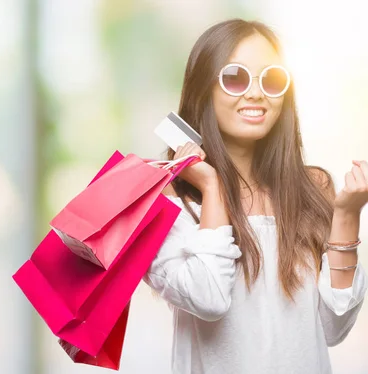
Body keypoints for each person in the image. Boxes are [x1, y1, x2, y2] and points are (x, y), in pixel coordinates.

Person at [144, 19, 368, 374]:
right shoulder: (168, 198)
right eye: (235, 77)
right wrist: (212, 188)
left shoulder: (312, 189)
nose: (256, 93)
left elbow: (333, 328)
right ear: (204, 90)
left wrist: (346, 215)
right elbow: (208, 298)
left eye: (272, 79)